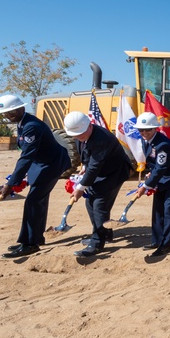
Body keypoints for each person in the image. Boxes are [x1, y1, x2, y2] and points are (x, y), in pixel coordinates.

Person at [0, 94, 71, 259]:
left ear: (21, 108)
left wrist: (11, 183)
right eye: (6, 113)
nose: (8, 116)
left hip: (52, 164)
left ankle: (30, 244)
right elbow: (29, 155)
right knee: (38, 200)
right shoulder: (23, 123)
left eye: (11, 112)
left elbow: (26, 156)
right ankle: (35, 238)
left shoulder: (31, 126)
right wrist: (19, 178)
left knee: (33, 201)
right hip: (42, 163)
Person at [64, 111, 133, 258]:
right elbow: (87, 156)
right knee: (90, 202)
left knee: (99, 204)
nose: (79, 137)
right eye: (76, 135)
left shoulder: (101, 138)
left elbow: (95, 166)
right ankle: (105, 233)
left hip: (115, 172)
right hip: (101, 171)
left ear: (90, 125)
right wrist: (84, 167)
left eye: (81, 133)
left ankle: (97, 243)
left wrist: (80, 188)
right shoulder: (79, 136)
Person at [134, 112, 170, 258]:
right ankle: (156, 240)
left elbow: (161, 167)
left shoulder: (163, 144)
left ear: (155, 129)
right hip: (161, 178)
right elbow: (154, 165)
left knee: (168, 210)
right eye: (141, 130)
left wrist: (146, 186)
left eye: (148, 130)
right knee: (157, 210)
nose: (144, 133)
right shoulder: (146, 141)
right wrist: (150, 174)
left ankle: (165, 244)